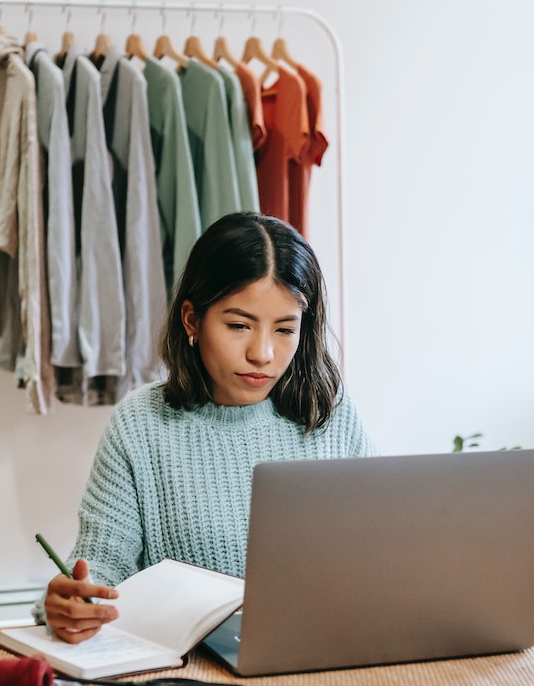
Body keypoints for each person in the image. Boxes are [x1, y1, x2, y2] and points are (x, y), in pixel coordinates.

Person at [39, 211, 376, 643]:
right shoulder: (139, 425)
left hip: (327, 654)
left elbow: (380, 555)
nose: (263, 353)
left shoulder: (329, 410)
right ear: (192, 320)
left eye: (285, 329)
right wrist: (72, 604)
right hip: (194, 674)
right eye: (238, 325)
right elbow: (99, 571)